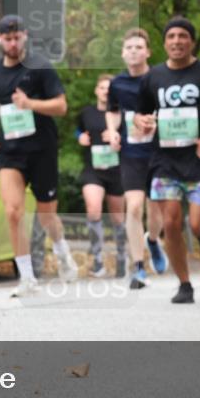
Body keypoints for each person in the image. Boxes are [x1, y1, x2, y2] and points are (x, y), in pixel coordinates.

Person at [134, 16, 200, 304]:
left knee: (197, 224)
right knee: (170, 222)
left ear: (191, 41)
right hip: (164, 160)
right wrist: (141, 122)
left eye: (182, 36)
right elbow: (140, 115)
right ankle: (184, 284)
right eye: (171, 37)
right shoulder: (152, 77)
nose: (177, 41)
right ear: (165, 43)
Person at [0, 15, 79, 297]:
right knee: (13, 213)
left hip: (42, 150)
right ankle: (26, 278)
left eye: (17, 37)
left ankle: (62, 254)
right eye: (7, 39)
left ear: (25, 37)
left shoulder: (41, 67)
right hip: (11, 150)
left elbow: (61, 106)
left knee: (47, 216)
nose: (12, 43)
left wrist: (29, 104)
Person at [105, 28, 168, 290]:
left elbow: (174, 112)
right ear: (122, 53)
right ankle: (139, 267)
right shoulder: (117, 84)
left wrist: (157, 124)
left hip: (159, 152)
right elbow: (112, 111)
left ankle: (153, 240)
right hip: (131, 153)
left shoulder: (159, 78)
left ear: (148, 52)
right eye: (129, 47)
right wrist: (111, 131)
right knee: (133, 207)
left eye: (138, 47)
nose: (133, 51)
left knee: (156, 209)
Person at [76, 74, 127, 278]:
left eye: (110, 88)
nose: (106, 91)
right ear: (96, 90)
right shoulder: (87, 113)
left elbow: (134, 136)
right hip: (93, 169)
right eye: (102, 87)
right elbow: (78, 130)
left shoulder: (121, 113)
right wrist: (79, 137)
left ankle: (122, 258)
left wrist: (119, 137)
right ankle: (97, 260)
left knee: (117, 218)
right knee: (93, 210)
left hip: (116, 169)